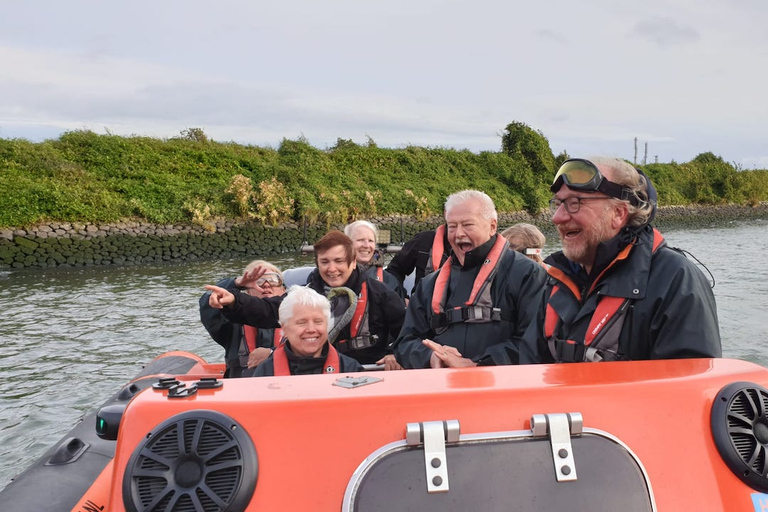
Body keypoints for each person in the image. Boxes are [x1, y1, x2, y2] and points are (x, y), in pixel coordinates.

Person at [519, 157, 722, 363]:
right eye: (558, 204)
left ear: (618, 213)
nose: (557, 217)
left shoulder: (676, 280)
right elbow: (527, 367)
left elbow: (690, 386)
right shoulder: (558, 278)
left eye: (574, 203)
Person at [205, 230, 406, 370]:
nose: (331, 269)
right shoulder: (307, 292)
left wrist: (394, 354)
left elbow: (407, 333)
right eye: (324, 262)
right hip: (317, 373)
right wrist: (233, 301)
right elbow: (268, 310)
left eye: (338, 261)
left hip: (367, 372)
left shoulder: (381, 294)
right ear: (317, 264)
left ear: (353, 263)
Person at [394, 190, 547, 369]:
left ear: (492, 226)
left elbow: (535, 341)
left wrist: (477, 365)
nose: (458, 233)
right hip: (445, 386)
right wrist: (432, 357)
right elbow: (405, 342)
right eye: (452, 226)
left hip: (503, 389)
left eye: (467, 225)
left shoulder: (528, 275)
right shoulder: (429, 285)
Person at [244, 285, 363, 376]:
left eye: (318, 322)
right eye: (302, 322)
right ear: (284, 328)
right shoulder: (265, 372)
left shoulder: (350, 369)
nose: (311, 329)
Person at [199, 260, 286, 378]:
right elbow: (208, 301)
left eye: (274, 280)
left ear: (283, 290)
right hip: (241, 389)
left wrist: (272, 353)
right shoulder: (230, 321)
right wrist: (236, 284)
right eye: (259, 280)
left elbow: (309, 350)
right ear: (248, 290)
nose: (266, 284)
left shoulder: (297, 318)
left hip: (285, 386)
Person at [386, 224, 451, 298]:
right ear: (445, 214)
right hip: (420, 306)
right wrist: (402, 298)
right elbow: (394, 270)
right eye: (454, 225)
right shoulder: (424, 240)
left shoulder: (466, 250)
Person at [344, 220, 403, 298]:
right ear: (347, 243)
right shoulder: (334, 275)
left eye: (371, 241)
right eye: (360, 240)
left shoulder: (389, 281)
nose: (366, 245)